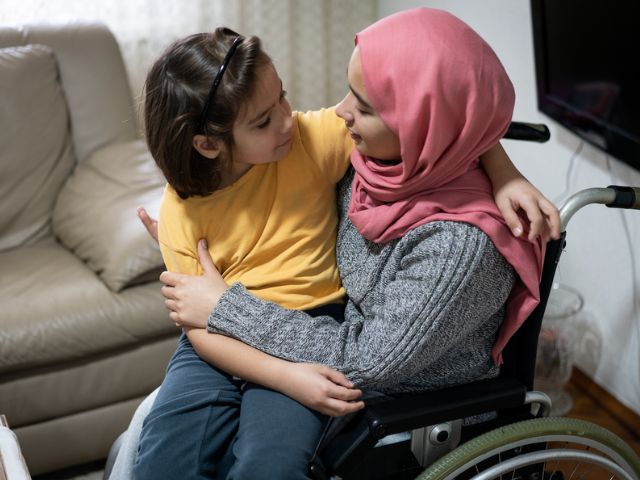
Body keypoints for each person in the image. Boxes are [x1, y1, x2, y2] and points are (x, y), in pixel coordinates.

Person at [116, 8, 559, 480]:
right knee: (159, 450)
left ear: (419, 123)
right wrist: (501, 165)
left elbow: (367, 361)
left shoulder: (457, 247)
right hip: (280, 341)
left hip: (384, 396)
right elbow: (453, 115)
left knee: (257, 465)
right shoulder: (371, 161)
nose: (340, 110)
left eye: (363, 106)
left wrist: (224, 308)